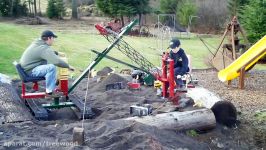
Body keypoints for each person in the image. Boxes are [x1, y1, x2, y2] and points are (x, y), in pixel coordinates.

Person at [19, 30, 74, 97]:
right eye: (53, 38)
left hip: (26, 68)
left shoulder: (38, 44)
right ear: (49, 38)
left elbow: (47, 53)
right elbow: (56, 61)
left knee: (50, 66)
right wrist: (68, 66)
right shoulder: (43, 48)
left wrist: (57, 53)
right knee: (51, 67)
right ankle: (49, 92)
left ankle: (54, 83)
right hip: (30, 71)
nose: (54, 40)